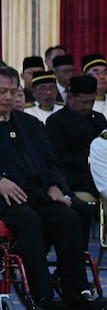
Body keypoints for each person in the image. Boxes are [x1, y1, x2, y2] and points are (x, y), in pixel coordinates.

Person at [0, 65, 106, 310]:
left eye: (13, 92)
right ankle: (42, 296)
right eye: (2, 91)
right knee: (29, 220)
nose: (9, 97)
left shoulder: (30, 123)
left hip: (37, 191)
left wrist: (57, 186)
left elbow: (51, 161)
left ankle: (76, 290)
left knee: (73, 213)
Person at [45, 75, 106, 237]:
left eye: (91, 102)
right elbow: (58, 157)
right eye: (84, 102)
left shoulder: (98, 119)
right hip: (74, 176)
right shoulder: (56, 122)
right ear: (70, 98)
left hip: (98, 171)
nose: (88, 107)